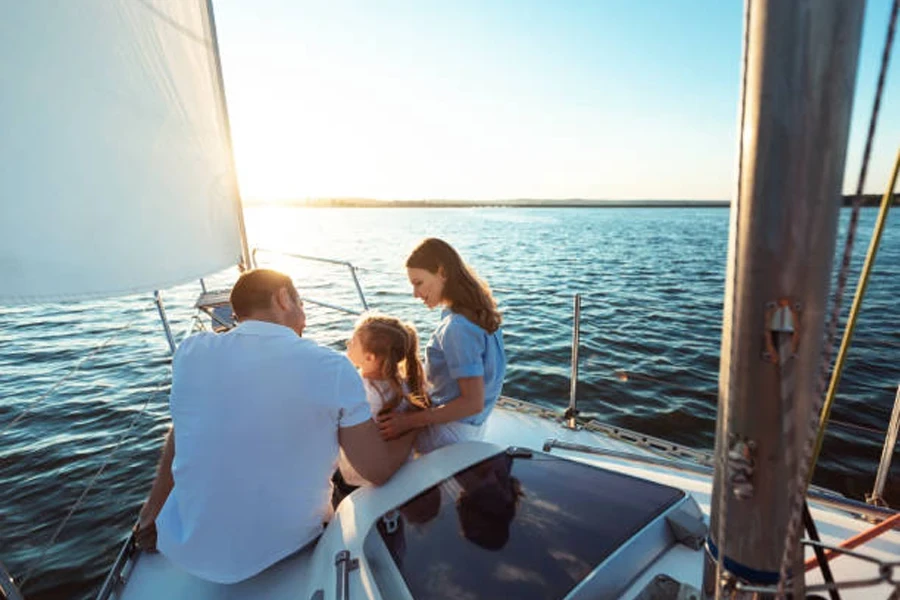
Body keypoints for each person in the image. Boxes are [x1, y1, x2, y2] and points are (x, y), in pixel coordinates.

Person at [133, 269, 413, 584]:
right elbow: (375, 470)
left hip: (186, 549)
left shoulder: (190, 353)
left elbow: (181, 430)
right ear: (282, 298)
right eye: (302, 304)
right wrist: (415, 426)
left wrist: (154, 507)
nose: (305, 317)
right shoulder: (332, 367)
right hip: (288, 547)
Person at [377, 238, 506, 453]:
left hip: (447, 436)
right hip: (472, 429)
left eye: (418, 283)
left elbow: (472, 402)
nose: (415, 294)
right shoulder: (480, 313)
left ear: (442, 272)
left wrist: (406, 422)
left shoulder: (457, 327)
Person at [332, 314, 430, 504]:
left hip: (357, 482)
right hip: (402, 471)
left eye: (353, 341)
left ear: (369, 357)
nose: (348, 343)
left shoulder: (357, 389)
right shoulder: (404, 385)